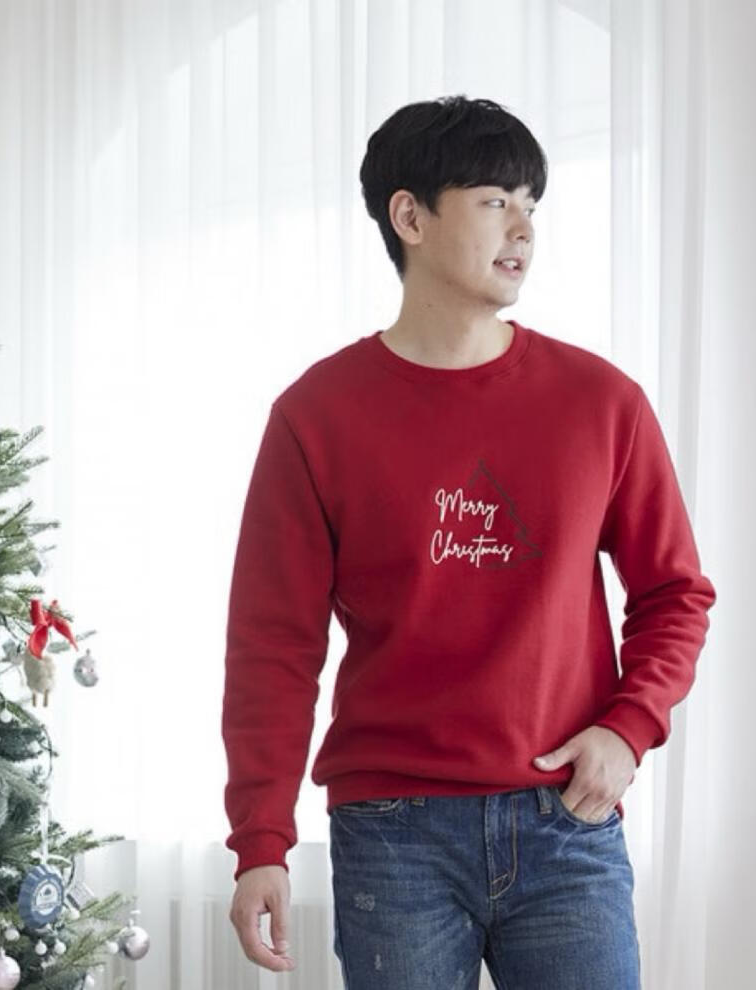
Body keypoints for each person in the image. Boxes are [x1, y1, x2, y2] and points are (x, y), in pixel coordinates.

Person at [223, 94, 716, 988]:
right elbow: (273, 646)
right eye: (495, 200)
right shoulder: (315, 416)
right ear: (409, 217)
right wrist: (261, 839)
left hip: (566, 817)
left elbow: (675, 593)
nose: (523, 228)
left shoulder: (602, 403)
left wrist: (628, 727)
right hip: (393, 835)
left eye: (531, 204)